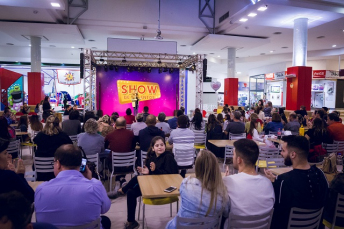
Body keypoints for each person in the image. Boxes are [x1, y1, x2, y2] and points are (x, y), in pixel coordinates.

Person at [35, 144, 111, 229]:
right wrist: (90, 179)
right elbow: (105, 208)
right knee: (105, 221)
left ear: (58, 164)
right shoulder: (95, 186)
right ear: (81, 164)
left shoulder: (41, 189)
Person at [264, 135, 328, 229]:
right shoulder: (321, 174)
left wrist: (277, 183)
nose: (281, 153)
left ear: (293, 154)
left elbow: (277, 212)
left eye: (283, 150)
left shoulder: (283, 181)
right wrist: (276, 180)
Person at [117, 136, 178, 229]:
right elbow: (152, 177)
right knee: (131, 192)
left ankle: (122, 190)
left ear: (165, 146)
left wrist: (155, 170)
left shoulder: (168, 157)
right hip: (153, 186)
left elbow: (170, 176)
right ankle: (131, 222)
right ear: (153, 148)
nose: (160, 147)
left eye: (162, 145)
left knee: (137, 178)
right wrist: (148, 173)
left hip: (164, 188)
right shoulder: (152, 158)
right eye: (157, 145)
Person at [166, 150, 229, 228]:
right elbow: (226, 213)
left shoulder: (186, 184)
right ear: (216, 168)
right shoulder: (222, 195)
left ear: (197, 167)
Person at [223, 139, 274, 219]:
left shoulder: (229, 181)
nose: (232, 158)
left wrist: (225, 181)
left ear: (239, 160)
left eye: (233, 155)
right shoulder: (268, 183)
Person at [33, 115, 73, 181]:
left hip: (41, 172)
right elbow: (71, 147)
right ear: (58, 124)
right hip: (60, 172)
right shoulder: (63, 136)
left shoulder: (40, 135)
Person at [104, 117, 136, 189]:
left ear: (115, 125)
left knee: (107, 159)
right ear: (125, 125)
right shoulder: (131, 134)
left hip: (114, 167)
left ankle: (119, 180)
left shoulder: (110, 135)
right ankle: (121, 179)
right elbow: (133, 147)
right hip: (128, 165)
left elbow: (105, 147)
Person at [0, 138, 34, 203]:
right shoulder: (9, 176)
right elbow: (31, 196)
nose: (9, 156)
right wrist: (20, 175)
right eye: (5, 153)